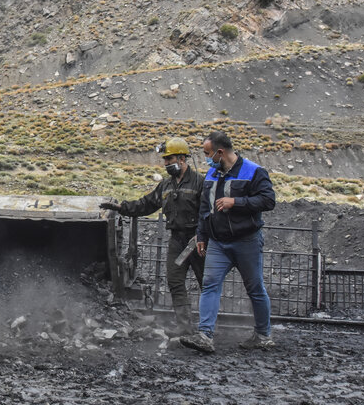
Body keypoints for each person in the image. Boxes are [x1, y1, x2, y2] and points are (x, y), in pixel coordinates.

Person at [181, 131, 276, 353]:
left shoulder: (254, 171)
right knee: (210, 284)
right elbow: (205, 209)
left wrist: (237, 202)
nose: (205, 158)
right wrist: (202, 235)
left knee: (255, 288)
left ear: (220, 152)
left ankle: (263, 335)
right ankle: (205, 335)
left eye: (207, 153)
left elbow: (268, 200)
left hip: (247, 241)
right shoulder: (212, 174)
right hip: (217, 242)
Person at [100, 137, 204, 334]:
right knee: (174, 281)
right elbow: (146, 204)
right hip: (177, 240)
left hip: (197, 239)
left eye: (169, 158)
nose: (166, 163)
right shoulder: (165, 186)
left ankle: (207, 329)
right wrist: (122, 207)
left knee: (206, 283)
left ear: (182, 158)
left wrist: (203, 235)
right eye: (165, 159)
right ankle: (184, 327)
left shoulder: (200, 183)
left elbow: (208, 213)